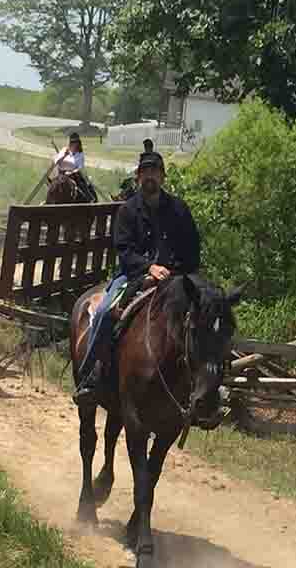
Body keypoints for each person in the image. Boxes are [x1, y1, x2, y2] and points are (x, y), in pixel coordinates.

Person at [73, 150, 200, 402]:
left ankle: (205, 388)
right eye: (145, 172)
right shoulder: (128, 211)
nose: (149, 177)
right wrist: (148, 268)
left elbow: (192, 251)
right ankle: (92, 376)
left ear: (163, 177)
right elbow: (123, 249)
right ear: (138, 177)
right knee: (104, 312)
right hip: (132, 276)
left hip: (174, 280)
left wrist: (172, 273)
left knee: (207, 314)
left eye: (155, 172)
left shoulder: (179, 210)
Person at [52, 132, 96, 202]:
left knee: (82, 184)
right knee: (52, 186)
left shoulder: (80, 154)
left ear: (79, 143)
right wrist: (64, 155)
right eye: (72, 142)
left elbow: (80, 167)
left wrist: (71, 172)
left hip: (74, 175)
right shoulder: (64, 150)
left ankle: (89, 198)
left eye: (76, 142)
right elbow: (56, 162)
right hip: (61, 175)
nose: (74, 144)